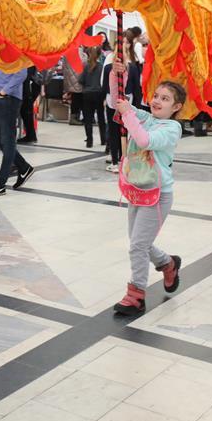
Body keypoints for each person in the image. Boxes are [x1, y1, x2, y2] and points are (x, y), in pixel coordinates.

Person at [111, 72, 186, 316]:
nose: (157, 101)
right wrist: (116, 73)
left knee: (137, 246)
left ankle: (136, 295)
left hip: (158, 195)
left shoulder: (171, 128)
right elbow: (117, 101)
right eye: (155, 96)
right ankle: (167, 263)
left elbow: (143, 141)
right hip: (138, 190)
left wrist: (128, 114)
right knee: (138, 243)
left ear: (176, 107)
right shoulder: (146, 117)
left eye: (165, 99)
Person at [0, 66, 34, 198]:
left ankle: (0, 184)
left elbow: (21, 73)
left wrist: (4, 91)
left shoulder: (16, 48)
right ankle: (23, 167)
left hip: (9, 98)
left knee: (7, 140)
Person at [102, 39, 142, 172]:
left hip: (125, 103)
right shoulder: (109, 68)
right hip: (113, 103)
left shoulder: (132, 68)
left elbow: (136, 88)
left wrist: (136, 106)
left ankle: (121, 159)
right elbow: (105, 86)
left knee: (120, 132)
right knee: (117, 132)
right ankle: (117, 160)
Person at [79, 47, 106, 148]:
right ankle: (103, 139)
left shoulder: (86, 66)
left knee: (88, 118)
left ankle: (89, 141)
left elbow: (81, 80)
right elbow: (103, 82)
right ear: (99, 55)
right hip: (99, 94)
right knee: (101, 117)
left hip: (87, 94)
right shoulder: (101, 67)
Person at [17, 67, 41, 143]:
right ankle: (31, 135)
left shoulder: (27, 62)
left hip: (28, 86)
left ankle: (30, 136)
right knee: (26, 111)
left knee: (26, 110)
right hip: (32, 85)